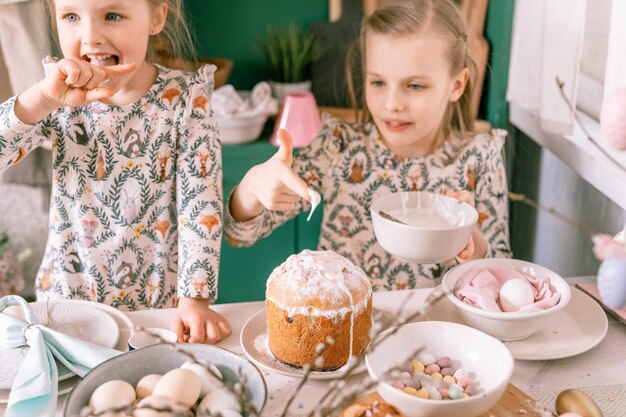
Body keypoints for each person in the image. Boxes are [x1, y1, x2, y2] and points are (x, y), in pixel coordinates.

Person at [225, 0, 511, 290]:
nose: (391, 104)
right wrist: (251, 188)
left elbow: (502, 280)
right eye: (377, 83)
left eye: (414, 86)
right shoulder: (337, 148)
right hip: (345, 329)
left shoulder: (480, 158)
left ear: (457, 85)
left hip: (439, 331)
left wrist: (470, 240)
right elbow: (238, 234)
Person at [0, 0, 231, 343]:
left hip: (158, 311)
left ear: (157, 17)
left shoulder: (185, 99)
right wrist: (42, 100)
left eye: (112, 15)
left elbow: (200, 204)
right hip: (66, 304)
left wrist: (195, 300)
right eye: (71, 17)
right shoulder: (55, 94)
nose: (90, 37)